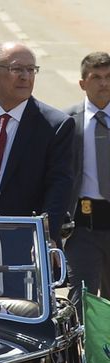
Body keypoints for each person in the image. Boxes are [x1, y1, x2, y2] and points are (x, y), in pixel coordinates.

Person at [0, 42, 75, 293]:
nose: (25, 76)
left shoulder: (55, 124)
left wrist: (46, 235)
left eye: (31, 69)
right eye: (17, 69)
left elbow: (60, 184)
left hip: (21, 241)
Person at [64, 52, 110, 305]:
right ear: (83, 83)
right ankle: (82, 346)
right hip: (83, 225)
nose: (103, 83)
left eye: (108, 77)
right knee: (82, 299)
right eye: (96, 77)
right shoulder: (67, 121)